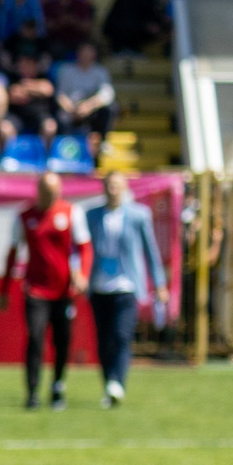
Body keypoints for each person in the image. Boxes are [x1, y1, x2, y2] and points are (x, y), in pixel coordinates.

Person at [0, 173, 90, 410]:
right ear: (39, 190)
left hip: (64, 291)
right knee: (35, 339)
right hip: (36, 290)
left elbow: (85, 248)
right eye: (48, 190)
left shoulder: (71, 213)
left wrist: (82, 274)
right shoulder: (25, 217)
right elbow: (12, 253)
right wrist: (5, 289)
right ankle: (32, 392)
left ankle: (58, 385)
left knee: (62, 341)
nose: (53, 194)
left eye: (56, 190)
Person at [83, 171, 165, 403]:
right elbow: (84, 250)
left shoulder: (138, 215)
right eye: (109, 185)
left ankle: (118, 381)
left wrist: (159, 283)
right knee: (104, 339)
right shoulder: (93, 215)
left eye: (117, 185)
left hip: (126, 285)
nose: (113, 189)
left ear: (124, 188)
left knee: (121, 335)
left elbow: (150, 251)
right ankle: (109, 381)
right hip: (99, 286)